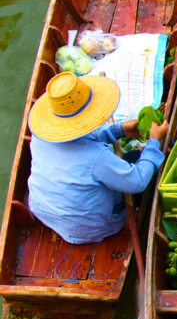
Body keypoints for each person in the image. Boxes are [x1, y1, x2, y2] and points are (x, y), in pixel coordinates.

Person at [26, 72, 168, 244]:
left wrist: (118, 130)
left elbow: (77, 137)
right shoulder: (96, 158)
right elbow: (137, 182)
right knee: (146, 158)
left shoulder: (42, 136)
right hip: (88, 229)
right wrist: (154, 142)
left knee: (131, 158)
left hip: (42, 211)